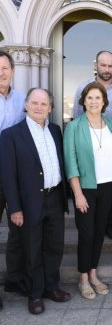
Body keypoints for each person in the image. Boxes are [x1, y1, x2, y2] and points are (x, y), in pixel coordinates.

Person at [0, 88, 70, 315]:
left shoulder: (56, 130)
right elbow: (8, 176)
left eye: (44, 103)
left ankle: (52, 286)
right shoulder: (11, 135)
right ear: (26, 105)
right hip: (29, 201)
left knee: (54, 246)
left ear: (50, 107)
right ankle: (35, 293)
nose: (39, 107)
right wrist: (15, 208)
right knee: (32, 248)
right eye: (35, 103)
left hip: (54, 197)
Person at [64, 82, 112, 300]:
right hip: (85, 188)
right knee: (86, 235)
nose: (94, 102)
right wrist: (77, 194)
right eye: (90, 98)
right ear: (83, 101)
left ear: (104, 101)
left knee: (98, 234)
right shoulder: (74, 127)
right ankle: (83, 278)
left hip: (107, 187)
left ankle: (94, 274)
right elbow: (71, 163)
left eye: (98, 98)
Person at [73, 50, 112, 240]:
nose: (107, 69)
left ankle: (110, 225)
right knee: (92, 186)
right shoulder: (83, 87)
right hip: (90, 147)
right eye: (103, 65)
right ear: (96, 65)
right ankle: (90, 225)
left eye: (110, 66)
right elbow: (76, 117)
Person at [0, 51, 26, 306]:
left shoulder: (21, 100)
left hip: (15, 176)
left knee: (18, 229)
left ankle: (14, 279)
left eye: (5, 68)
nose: (2, 72)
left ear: (13, 70)